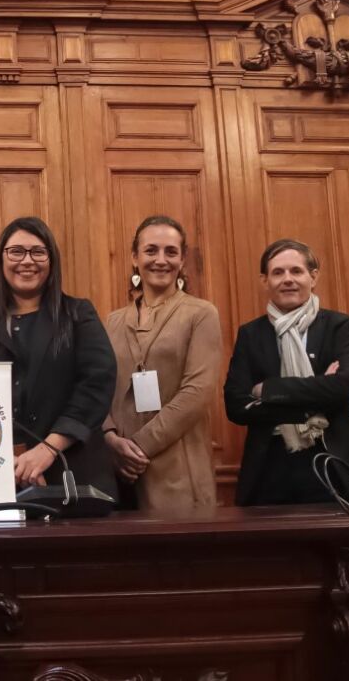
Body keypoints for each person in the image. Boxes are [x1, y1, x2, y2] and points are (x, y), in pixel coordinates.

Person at [0, 217, 115, 493]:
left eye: (38, 251)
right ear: (1, 259)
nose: (27, 260)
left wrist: (48, 449)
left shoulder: (78, 315)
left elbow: (96, 384)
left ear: (51, 260)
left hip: (73, 472)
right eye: (16, 251)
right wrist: (7, 462)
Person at [224, 238, 349, 506]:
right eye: (278, 272)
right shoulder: (251, 334)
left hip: (335, 461)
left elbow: (342, 388)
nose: (287, 279)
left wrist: (268, 390)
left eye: (296, 271)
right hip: (268, 467)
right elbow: (235, 405)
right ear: (264, 281)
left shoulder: (341, 327)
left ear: (313, 277)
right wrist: (317, 390)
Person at [100, 216, 221, 513]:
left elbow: (198, 392)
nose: (160, 260)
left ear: (182, 260)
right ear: (134, 257)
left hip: (177, 470)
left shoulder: (201, 314)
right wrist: (110, 439)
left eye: (171, 252)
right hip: (116, 472)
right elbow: (97, 385)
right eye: (151, 250)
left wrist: (137, 448)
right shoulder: (112, 321)